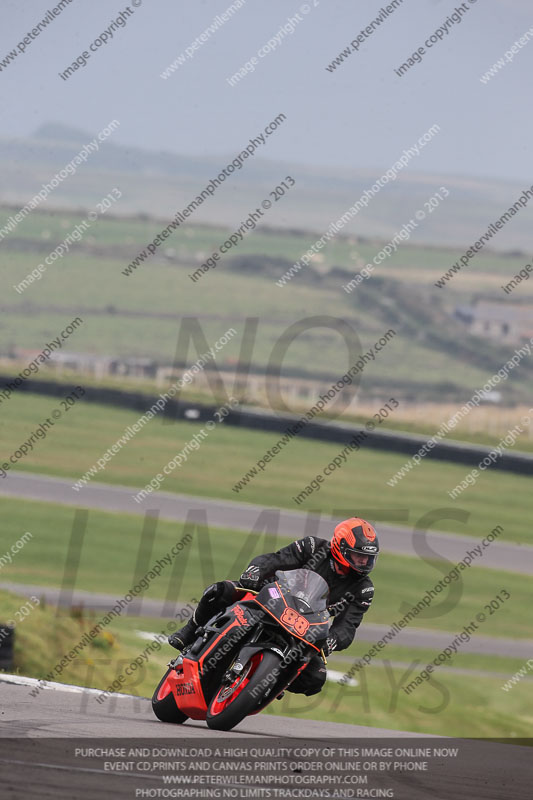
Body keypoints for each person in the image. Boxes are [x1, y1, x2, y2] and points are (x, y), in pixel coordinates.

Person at [168, 517, 379, 696]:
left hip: (305, 628)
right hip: (272, 600)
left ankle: (264, 686)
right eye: (358, 556)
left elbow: (348, 626)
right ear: (339, 546)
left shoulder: (363, 589)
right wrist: (254, 572)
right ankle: (188, 633)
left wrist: (333, 640)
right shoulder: (312, 547)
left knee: (315, 679)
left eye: (368, 558)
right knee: (219, 591)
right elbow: (275, 560)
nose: (363, 563)